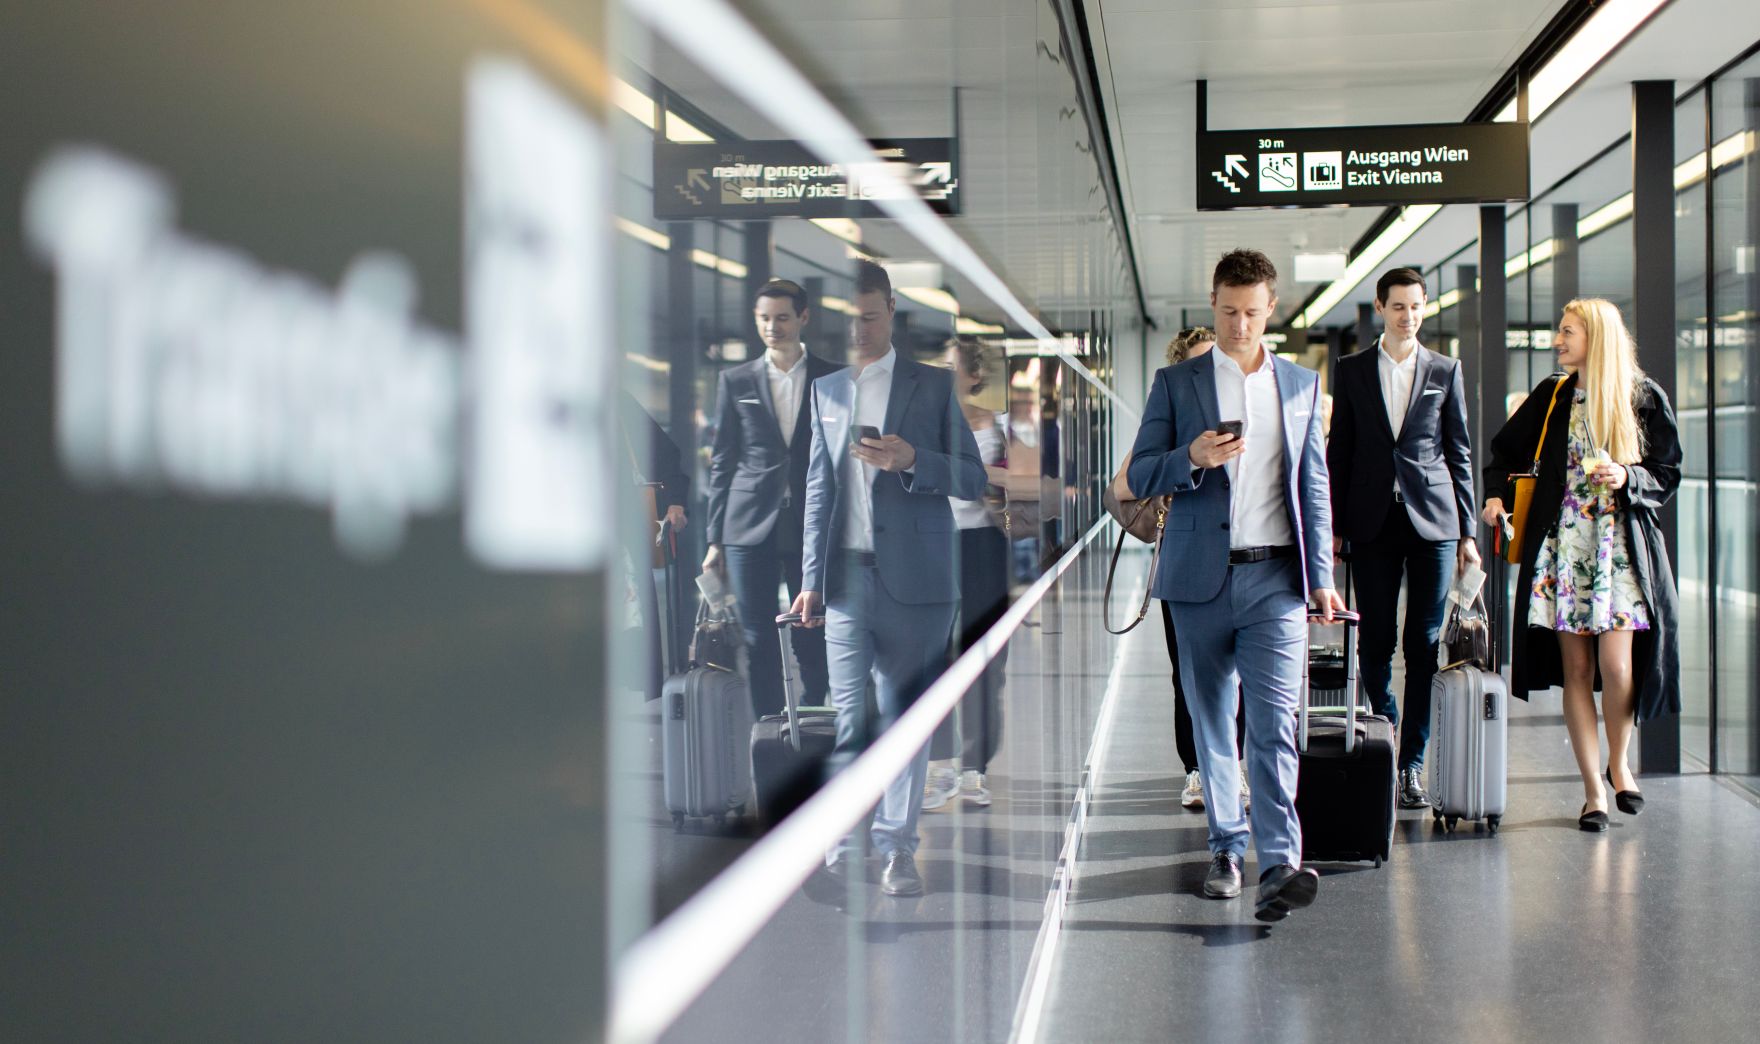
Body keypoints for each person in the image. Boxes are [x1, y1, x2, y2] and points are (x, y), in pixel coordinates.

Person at [1127, 249, 1342, 923]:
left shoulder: (1301, 388)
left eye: (1252, 313)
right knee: (1213, 720)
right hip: (1197, 581)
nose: (1240, 326)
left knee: (1275, 726)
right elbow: (1138, 476)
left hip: (1277, 578)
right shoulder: (1176, 384)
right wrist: (1190, 458)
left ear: (1271, 309)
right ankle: (1225, 847)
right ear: (1211, 304)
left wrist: (1324, 581)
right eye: (1227, 312)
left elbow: (1313, 485)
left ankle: (1280, 862)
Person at [790, 260, 986, 896]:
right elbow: (819, 488)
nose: (860, 331)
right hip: (846, 582)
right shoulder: (826, 391)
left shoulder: (930, 388)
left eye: (870, 318)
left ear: (891, 311)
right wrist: (810, 578)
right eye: (849, 320)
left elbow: (971, 477)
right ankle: (849, 844)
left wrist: (911, 460)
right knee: (852, 719)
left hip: (919, 583)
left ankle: (898, 848)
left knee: (905, 720)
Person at [1481, 299, 1681, 832]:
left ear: (1596, 336)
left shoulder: (1641, 396)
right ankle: (1593, 790)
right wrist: (1497, 495)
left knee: (1618, 668)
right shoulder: (1553, 396)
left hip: (1617, 549)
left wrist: (1627, 477)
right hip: (1564, 548)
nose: (1557, 341)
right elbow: (1505, 453)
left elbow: (1667, 471)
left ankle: (1620, 763)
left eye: (1567, 332)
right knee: (1577, 670)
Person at [1326, 267, 1478, 808]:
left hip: (1433, 521)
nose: (1408, 317)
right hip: (1371, 521)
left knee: (1424, 643)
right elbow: (1338, 451)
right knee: (1375, 642)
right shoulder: (1351, 370)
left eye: (1416, 307)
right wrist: (1335, 526)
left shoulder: (1445, 369)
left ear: (1424, 308)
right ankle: (1387, 724)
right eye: (1398, 307)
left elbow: (1457, 451)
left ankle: (1411, 763)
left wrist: (1467, 531)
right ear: (1380, 307)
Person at [703, 278, 841, 718]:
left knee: (811, 628)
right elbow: (723, 460)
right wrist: (714, 539)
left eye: (782, 317)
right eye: (764, 318)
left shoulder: (833, 378)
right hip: (748, 522)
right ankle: (768, 725)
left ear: (803, 317)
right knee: (758, 635)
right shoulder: (736, 379)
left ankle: (811, 710)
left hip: (811, 520)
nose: (772, 326)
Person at [1157, 326, 1248, 813]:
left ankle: (1235, 765)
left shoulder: (1254, 403)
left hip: (1250, 558)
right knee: (1188, 674)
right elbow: (1136, 473)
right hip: (1190, 560)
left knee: (1246, 675)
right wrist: (1188, 458)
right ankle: (1196, 768)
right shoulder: (1170, 405)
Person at [923, 337, 1010, 811]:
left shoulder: (996, 425)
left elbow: (1028, 481)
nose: (940, 373)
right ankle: (940, 767)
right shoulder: (920, 424)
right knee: (934, 658)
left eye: (949, 366)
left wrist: (982, 477)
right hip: (932, 545)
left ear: (974, 376)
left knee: (985, 664)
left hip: (982, 545)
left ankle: (975, 768)